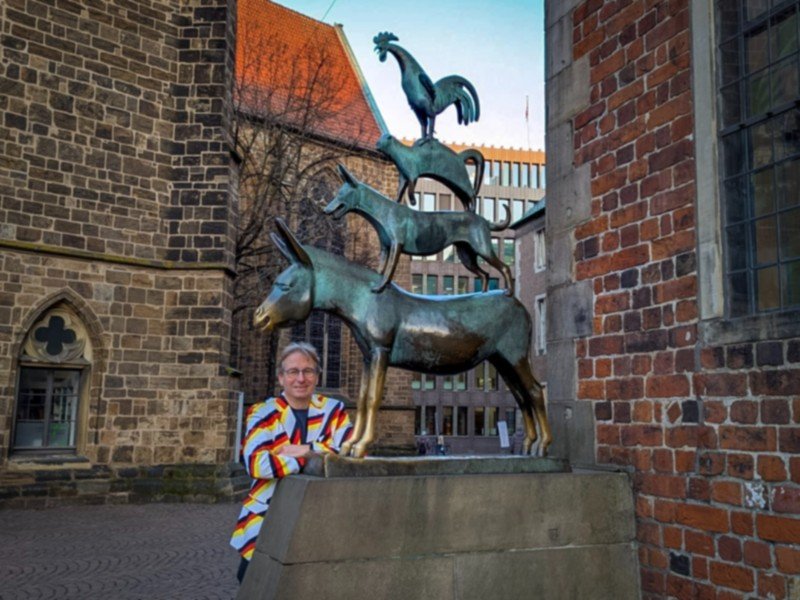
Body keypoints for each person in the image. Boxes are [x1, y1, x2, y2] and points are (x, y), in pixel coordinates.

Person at [230, 342, 353, 583]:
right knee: (257, 581)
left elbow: (351, 455)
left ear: (317, 376)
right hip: (267, 512)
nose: (301, 378)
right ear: (281, 377)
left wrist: (307, 450)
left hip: (320, 511)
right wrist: (314, 460)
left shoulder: (334, 410)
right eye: (293, 371)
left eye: (308, 371)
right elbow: (256, 464)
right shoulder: (262, 413)